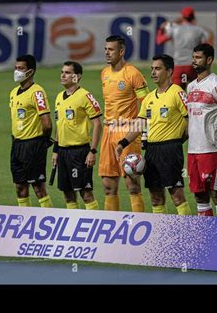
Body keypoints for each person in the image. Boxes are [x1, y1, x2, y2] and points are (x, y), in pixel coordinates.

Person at [116, 54, 191, 215]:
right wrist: (122, 143)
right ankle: (161, 234)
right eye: (152, 69)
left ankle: (188, 234)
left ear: (169, 71)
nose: (153, 73)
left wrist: (178, 141)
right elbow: (140, 124)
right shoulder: (149, 98)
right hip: (151, 151)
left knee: (177, 196)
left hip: (170, 149)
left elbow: (190, 121)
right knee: (156, 197)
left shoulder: (178, 93)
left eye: (158, 69)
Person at [99, 35, 150, 212]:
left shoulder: (133, 73)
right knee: (108, 185)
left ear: (121, 51)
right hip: (108, 131)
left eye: (111, 49)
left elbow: (147, 105)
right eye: (105, 49)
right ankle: (111, 229)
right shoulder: (104, 73)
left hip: (127, 131)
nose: (107, 52)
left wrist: (143, 133)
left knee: (132, 184)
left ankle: (140, 227)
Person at [187, 44, 217, 217]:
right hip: (193, 150)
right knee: (199, 195)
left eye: (198, 58)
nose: (194, 61)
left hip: (212, 149)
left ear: (209, 60)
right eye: (193, 57)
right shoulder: (190, 87)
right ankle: (206, 237)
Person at [52, 61, 102, 210]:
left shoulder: (85, 96)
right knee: (67, 193)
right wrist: (55, 151)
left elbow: (98, 124)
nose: (63, 75)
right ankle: (74, 225)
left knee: (85, 192)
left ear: (77, 76)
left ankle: (94, 226)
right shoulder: (59, 97)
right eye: (62, 72)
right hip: (62, 151)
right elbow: (59, 126)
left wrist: (92, 151)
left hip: (79, 152)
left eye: (67, 72)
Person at [9, 54, 53, 208]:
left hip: (33, 144)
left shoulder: (37, 92)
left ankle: (50, 222)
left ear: (31, 72)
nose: (17, 71)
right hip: (17, 144)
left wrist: (43, 142)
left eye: (21, 68)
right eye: (16, 68)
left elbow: (47, 124)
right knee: (20, 188)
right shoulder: (14, 92)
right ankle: (25, 223)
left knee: (38, 187)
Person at [156, 6, 209, 90]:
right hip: (193, 66)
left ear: (182, 17)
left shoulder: (174, 29)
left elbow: (159, 41)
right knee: (196, 94)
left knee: (178, 95)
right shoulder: (199, 30)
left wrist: (161, 29)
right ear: (193, 16)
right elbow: (206, 48)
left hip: (178, 66)